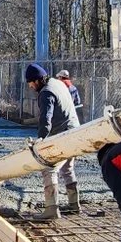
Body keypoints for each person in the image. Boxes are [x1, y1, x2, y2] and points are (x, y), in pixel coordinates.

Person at [25, 63, 81, 219]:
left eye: (30, 83)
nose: (30, 86)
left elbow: (45, 119)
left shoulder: (46, 93)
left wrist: (41, 140)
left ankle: (52, 209)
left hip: (63, 136)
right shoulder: (58, 83)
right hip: (75, 131)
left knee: (48, 168)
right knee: (67, 168)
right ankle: (74, 204)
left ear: (37, 80)